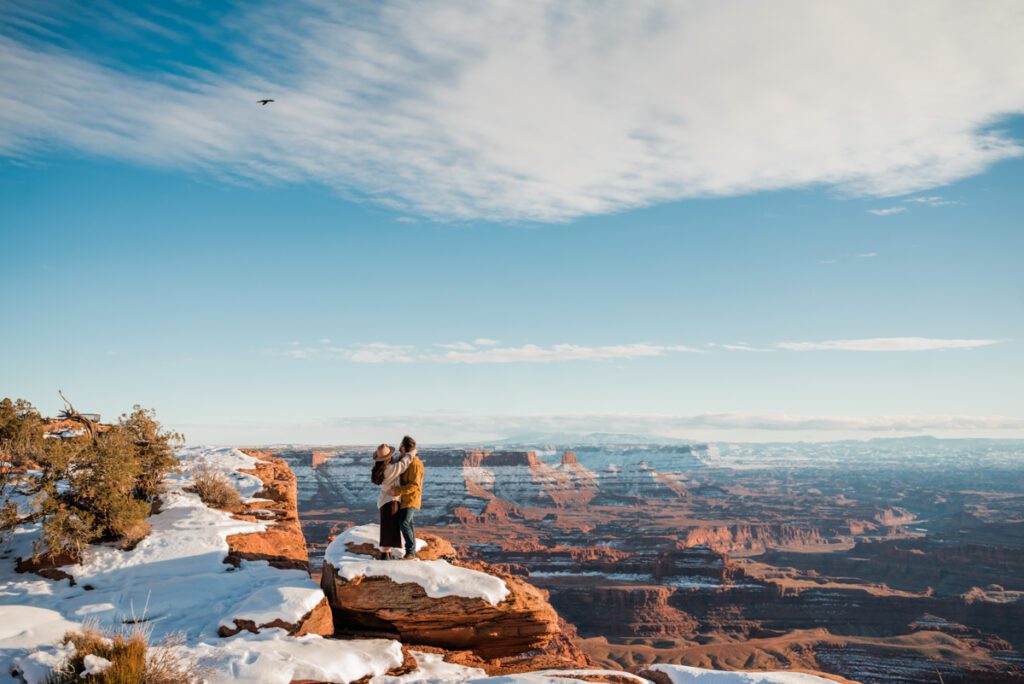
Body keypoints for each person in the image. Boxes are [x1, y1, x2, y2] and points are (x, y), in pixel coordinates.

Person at [371, 443, 409, 560]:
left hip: (385, 501)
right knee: (389, 529)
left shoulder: (380, 468)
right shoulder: (389, 469)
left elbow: (396, 462)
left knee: (387, 527)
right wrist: (411, 453)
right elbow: (403, 464)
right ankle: (385, 556)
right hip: (390, 501)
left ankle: (387, 554)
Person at [390, 435, 423, 560]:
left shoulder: (415, 463)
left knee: (403, 522)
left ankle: (410, 552)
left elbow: (415, 485)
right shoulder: (407, 460)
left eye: (401, 445)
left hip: (411, 499)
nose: (399, 447)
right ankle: (411, 551)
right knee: (408, 523)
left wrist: (398, 490)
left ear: (404, 447)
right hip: (405, 499)